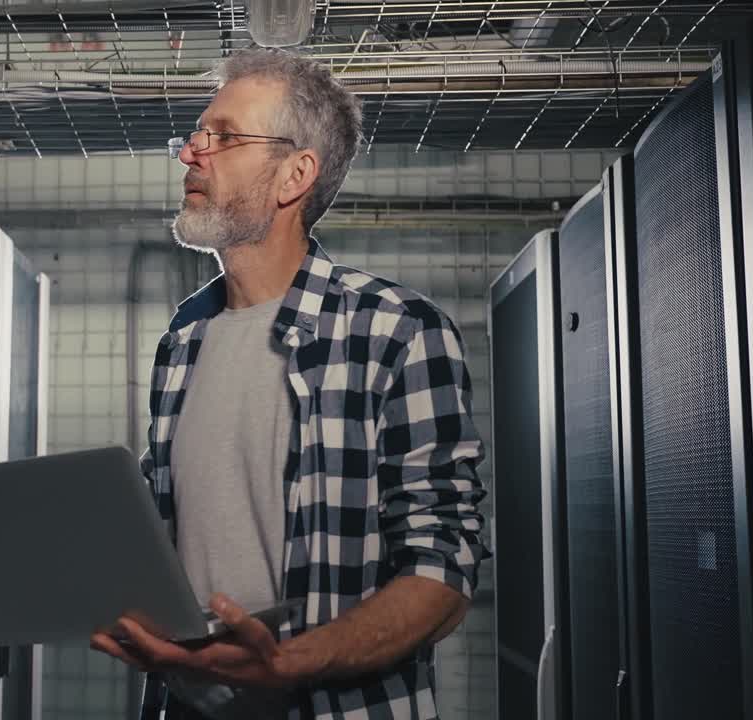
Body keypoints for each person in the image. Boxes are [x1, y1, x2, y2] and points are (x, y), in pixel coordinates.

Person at [89, 48, 491, 720]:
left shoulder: (396, 331)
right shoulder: (183, 341)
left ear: (294, 174)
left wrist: (285, 663)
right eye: (194, 136)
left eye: (223, 136)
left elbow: (443, 567)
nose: (192, 153)